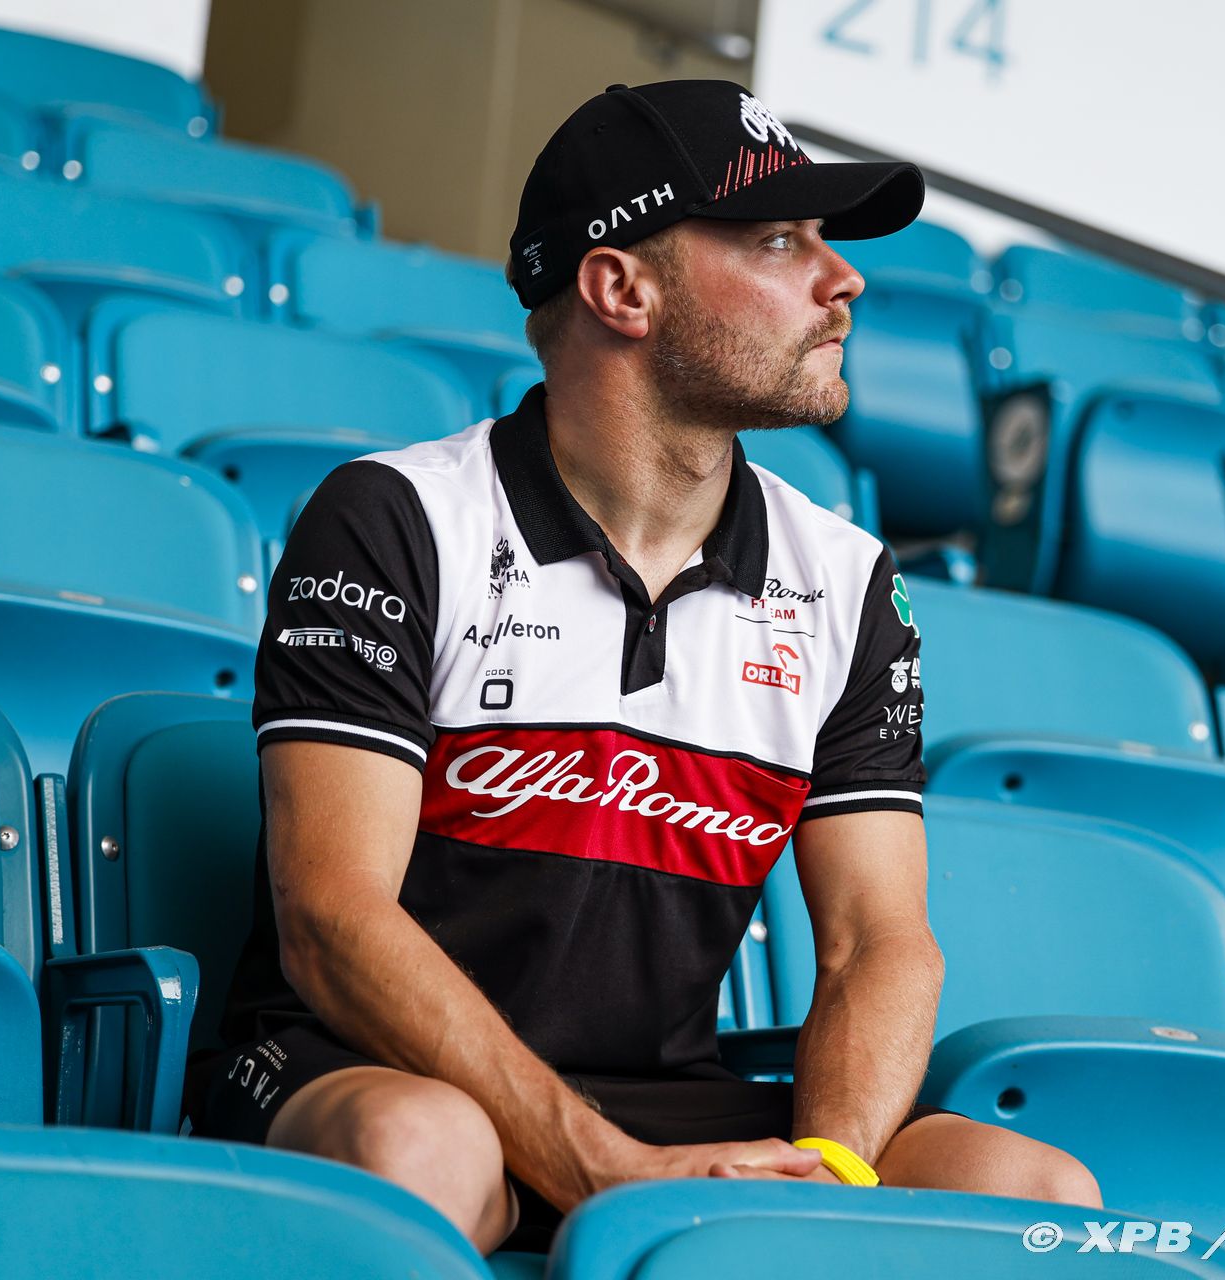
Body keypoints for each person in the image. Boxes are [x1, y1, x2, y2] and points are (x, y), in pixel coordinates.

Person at [185, 79, 1101, 1254]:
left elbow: (877, 942)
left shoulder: (846, 579)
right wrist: (605, 1166)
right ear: (623, 288)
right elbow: (330, 916)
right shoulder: (395, 517)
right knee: (424, 1145)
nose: (845, 280)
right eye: (779, 241)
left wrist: (823, 1176)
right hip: (371, 1064)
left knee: (1033, 1184)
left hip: (666, 1097)